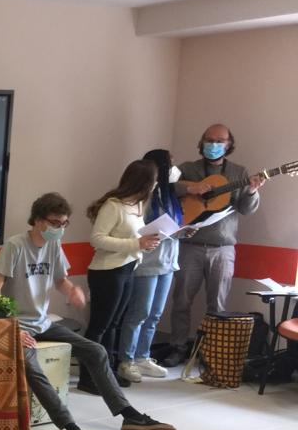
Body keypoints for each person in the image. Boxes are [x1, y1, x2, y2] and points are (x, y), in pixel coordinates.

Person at [0, 193, 177, 430]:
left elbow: (60, 280)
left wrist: (71, 290)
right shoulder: (15, 246)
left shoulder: (54, 245)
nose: (59, 229)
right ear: (38, 220)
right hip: (17, 326)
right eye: (55, 223)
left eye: (64, 223)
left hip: (43, 323)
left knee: (96, 351)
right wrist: (11, 329)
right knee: (34, 370)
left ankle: (129, 415)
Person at [165, 123, 265, 366]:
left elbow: (246, 209)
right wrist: (191, 187)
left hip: (223, 248)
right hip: (189, 245)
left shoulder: (239, 172)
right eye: (209, 140)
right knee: (181, 301)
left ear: (229, 144)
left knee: (217, 304)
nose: (214, 145)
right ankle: (177, 347)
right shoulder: (187, 168)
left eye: (220, 141)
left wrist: (252, 191)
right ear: (202, 142)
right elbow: (165, 187)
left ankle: (211, 352)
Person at [117, 150, 196, 382]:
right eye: (170, 163)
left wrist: (181, 232)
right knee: (139, 313)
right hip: (147, 262)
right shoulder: (144, 196)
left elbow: (172, 223)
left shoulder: (169, 193)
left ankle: (143, 356)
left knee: (155, 315)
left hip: (168, 261)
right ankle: (126, 360)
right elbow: (137, 228)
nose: (174, 168)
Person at [81, 160, 160, 391]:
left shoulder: (137, 206)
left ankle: (107, 373)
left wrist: (145, 244)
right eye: (153, 181)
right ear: (143, 182)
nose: (155, 185)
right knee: (100, 326)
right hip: (107, 272)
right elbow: (97, 239)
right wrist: (136, 243)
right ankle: (88, 377)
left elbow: (134, 239)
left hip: (128, 269)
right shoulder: (113, 205)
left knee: (114, 325)